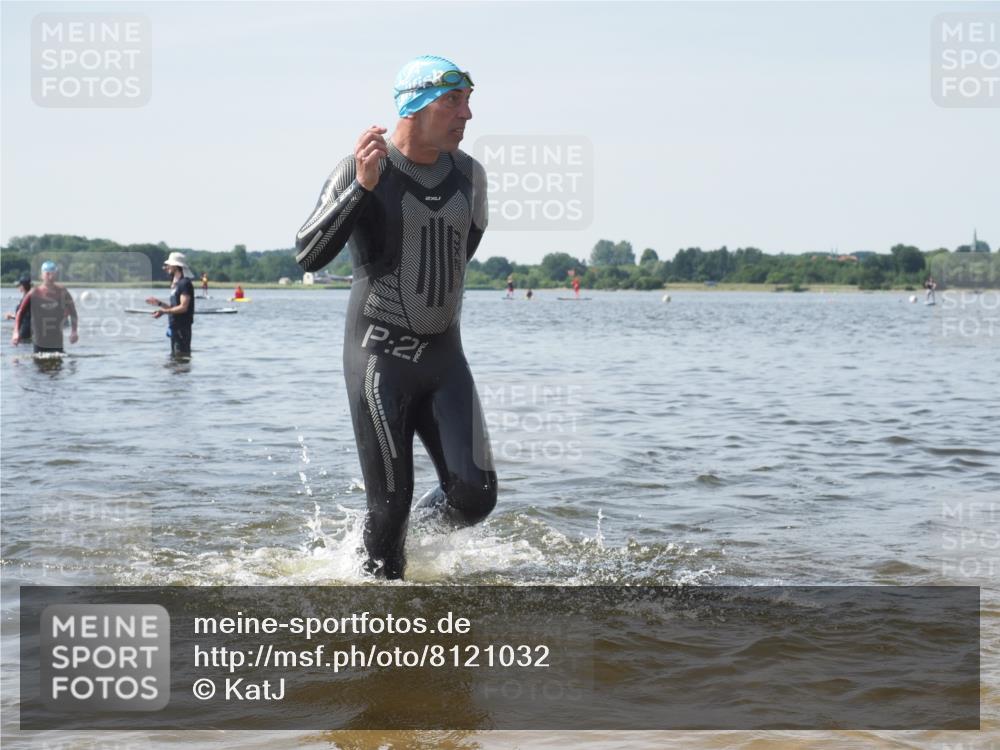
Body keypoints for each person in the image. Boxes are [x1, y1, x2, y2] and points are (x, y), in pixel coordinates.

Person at [295, 55, 497, 579]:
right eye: (454, 101)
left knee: (474, 496)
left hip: (446, 357)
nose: (467, 115)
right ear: (415, 105)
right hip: (380, 356)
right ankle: (387, 633)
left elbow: (459, 254)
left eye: (469, 101)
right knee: (390, 508)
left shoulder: (470, 176)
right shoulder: (362, 166)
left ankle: (410, 547)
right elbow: (308, 256)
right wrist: (360, 189)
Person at [12, 261, 78, 353]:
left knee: (58, 364)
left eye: (52, 273)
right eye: (47, 273)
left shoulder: (62, 291)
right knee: (40, 363)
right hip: (39, 340)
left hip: (56, 338)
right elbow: (20, 312)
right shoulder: (34, 292)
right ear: (41, 275)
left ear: (56, 274)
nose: (49, 276)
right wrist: (16, 332)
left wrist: (74, 331)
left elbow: (73, 312)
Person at [145, 252, 195, 356]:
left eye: (169, 265)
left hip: (182, 328)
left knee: (180, 359)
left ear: (176, 266)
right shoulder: (177, 285)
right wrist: (159, 303)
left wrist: (163, 312)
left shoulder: (184, 283)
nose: (166, 267)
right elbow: (174, 309)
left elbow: (183, 307)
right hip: (175, 328)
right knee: (175, 361)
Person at [6, 275, 33, 344]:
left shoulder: (28, 298)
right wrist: (12, 316)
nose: (18, 287)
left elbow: (26, 316)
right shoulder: (27, 298)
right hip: (27, 329)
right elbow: (26, 316)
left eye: (19, 285)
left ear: (23, 286)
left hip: (25, 330)